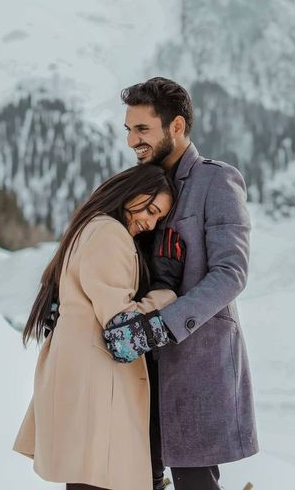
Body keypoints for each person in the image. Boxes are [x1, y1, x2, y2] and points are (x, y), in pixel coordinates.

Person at [114, 77, 259, 490]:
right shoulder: (136, 184)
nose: (131, 141)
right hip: (139, 364)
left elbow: (231, 273)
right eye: (128, 129)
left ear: (176, 127)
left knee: (195, 482)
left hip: (195, 361)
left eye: (142, 129)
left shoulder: (217, 181)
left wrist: (164, 325)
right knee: (137, 477)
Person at [12, 163, 186, 490]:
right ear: (129, 192)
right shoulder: (109, 233)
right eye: (149, 209)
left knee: (85, 480)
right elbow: (123, 335)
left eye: (158, 217)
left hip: (79, 384)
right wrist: (166, 291)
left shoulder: (87, 228)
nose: (149, 222)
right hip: (97, 388)